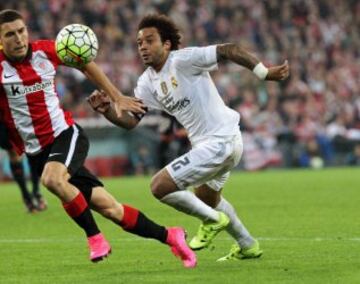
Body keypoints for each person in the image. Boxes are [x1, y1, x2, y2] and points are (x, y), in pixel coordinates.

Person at [0, 9, 196, 268]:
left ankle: (95, 238)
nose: (19, 38)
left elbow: (85, 63)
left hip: (65, 136)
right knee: (112, 209)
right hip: (37, 152)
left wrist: (116, 96)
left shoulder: (45, 52)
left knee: (52, 179)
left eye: (21, 31)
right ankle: (171, 236)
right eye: (10, 34)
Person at [88, 14, 289, 261]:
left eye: (149, 40)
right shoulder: (147, 83)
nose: (143, 47)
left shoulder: (183, 61)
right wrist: (106, 110)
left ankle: (212, 220)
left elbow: (229, 49)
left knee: (159, 186)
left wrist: (263, 72)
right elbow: (131, 121)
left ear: (167, 44)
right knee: (207, 197)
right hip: (219, 144)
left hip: (221, 141)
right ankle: (248, 245)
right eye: (139, 43)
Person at [0, 121, 46, 212]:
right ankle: (27, 196)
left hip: (22, 113)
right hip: (3, 119)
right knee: (13, 152)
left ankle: (35, 192)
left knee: (32, 150)